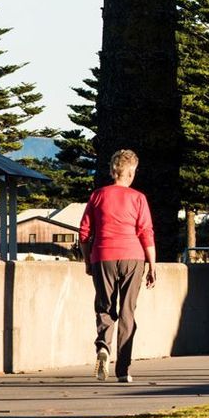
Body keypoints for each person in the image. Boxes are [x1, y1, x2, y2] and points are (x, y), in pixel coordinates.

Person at [79, 149, 157, 384]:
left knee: (104, 306)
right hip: (133, 257)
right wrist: (152, 265)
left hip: (103, 255)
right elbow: (146, 232)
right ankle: (123, 369)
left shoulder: (97, 195)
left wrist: (87, 259)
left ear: (113, 171)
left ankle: (103, 347)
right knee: (127, 312)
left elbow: (84, 232)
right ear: (131, 172)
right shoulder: (138, 198)